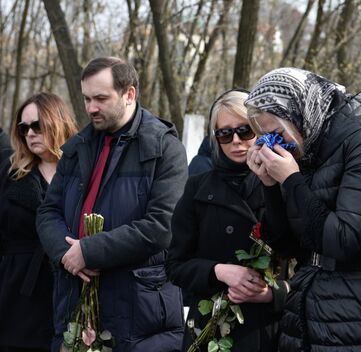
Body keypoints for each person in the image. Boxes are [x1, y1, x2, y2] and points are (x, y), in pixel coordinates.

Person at [244, 67, 361, 351]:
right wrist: (270, 185)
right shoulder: (312, 142)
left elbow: (343, 239)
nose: (271, 145)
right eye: (263, 137)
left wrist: (290, 178)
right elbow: (287, 246)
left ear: (301, 113)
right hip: (310, 309)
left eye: (276, 133)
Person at [36, 57, 188, 351]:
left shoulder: (164, 147)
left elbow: (162, 226)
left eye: (101, 98)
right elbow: (48, 211)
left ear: (129, 94)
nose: (91, 108)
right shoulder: (78, 147)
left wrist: (89, 251)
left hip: (138, 311)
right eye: (87, 99)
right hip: (73, 300)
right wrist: (66, 253)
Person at [166, 89, 289, 351]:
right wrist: (218, 271)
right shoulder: (197, 187)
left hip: (266, 332)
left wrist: (272, 294)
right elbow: (175, 265)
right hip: (208, 331)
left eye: (244, 130)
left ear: (259, 129)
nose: (236, 141)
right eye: (224, 134)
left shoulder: (284, 184)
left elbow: (302, 259)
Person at [0, 93, 77, 351]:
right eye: (23, 128)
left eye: (37, 126)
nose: (30, 133)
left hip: (68, 285)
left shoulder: (81, 171)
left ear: (57, 122)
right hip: (16, 289)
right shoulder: (10, 173)